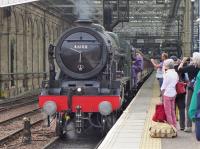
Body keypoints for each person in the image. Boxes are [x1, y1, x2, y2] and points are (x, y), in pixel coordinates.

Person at [178, 52, 200, 132]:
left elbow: (180, 70)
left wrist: (182, 62)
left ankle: (189, 126)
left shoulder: (191, 67)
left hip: (192, 88)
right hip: (199, 88)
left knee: (189, 106)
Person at [161, 59, 179, 128]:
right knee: (172, 111)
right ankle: (175, 126)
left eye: (165, 65)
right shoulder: (175, 73)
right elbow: (176, 81)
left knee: (168, 112)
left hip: (167, 94)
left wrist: (162, 95)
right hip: (174, 93)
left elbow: (164, 86)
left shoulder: (167, 74)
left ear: (167, 66)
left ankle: (171, 127)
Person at [171, 56, 186, 130]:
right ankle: (182, 126)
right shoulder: (180, 68)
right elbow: (185, 79)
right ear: (177, 61)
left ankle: (173, 126)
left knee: (172, 109)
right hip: (181, 92)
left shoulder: (169, 69)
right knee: (182, 109)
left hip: (172, 92)